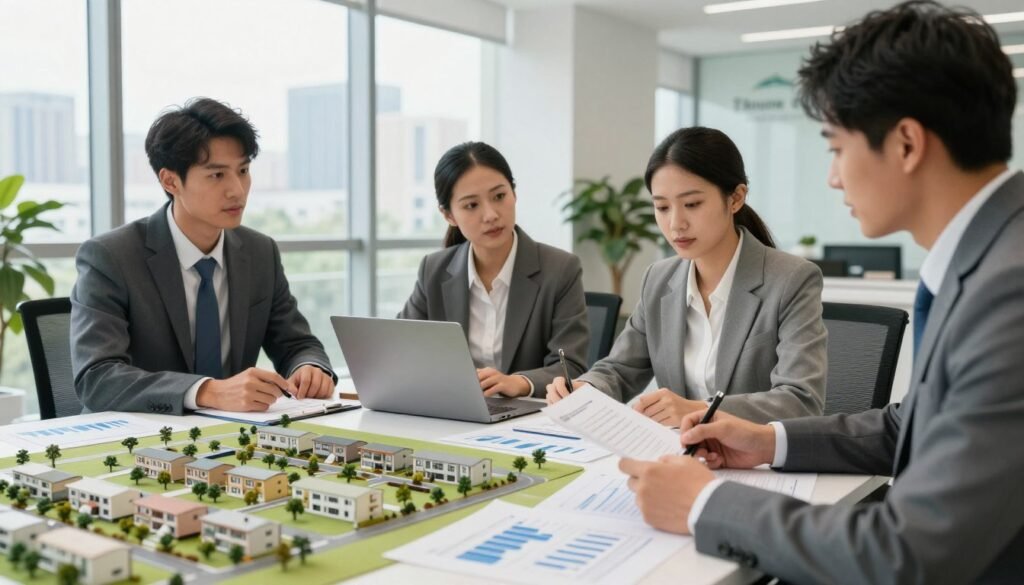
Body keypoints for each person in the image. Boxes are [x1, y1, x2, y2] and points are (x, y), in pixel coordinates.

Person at [619, 2, 1024, 583]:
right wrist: (765, 440)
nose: (833, 176)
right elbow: (906, 425)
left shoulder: (1009, 290)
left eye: (836, 148)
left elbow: (910, 553)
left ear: (906, 144)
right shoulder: (986, 257)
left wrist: (704, 504)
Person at [71, 97, 336, 415]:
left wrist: (310, 367)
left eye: (243, 170)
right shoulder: (111, 257)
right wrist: (207, 391)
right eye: (217, 175)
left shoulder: (259, 252)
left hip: (235, 436)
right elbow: (98, 378)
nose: (237, 190)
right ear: (170, 181)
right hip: (138, 436)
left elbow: (296, 343)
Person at [546, 127, 827, 424]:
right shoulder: (659, 278)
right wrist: (584, 388)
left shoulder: (791, 279)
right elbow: (619, 369)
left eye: (692, 204)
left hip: (756, 461)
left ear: (735, 198)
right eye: (662, 207)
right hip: (680, 452)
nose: (675, 223)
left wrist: (697, 410)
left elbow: (801, 400)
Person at [397, 141, 589, 398]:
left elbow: (571, 366)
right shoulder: (433, 269)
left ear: (514, 194)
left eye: (499, 196)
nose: (490, 215)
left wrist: (519, 382)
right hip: (454, 412)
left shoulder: (561, 269)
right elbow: (401, 348)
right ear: (449, 215)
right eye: (471, 205)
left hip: (530, 416)